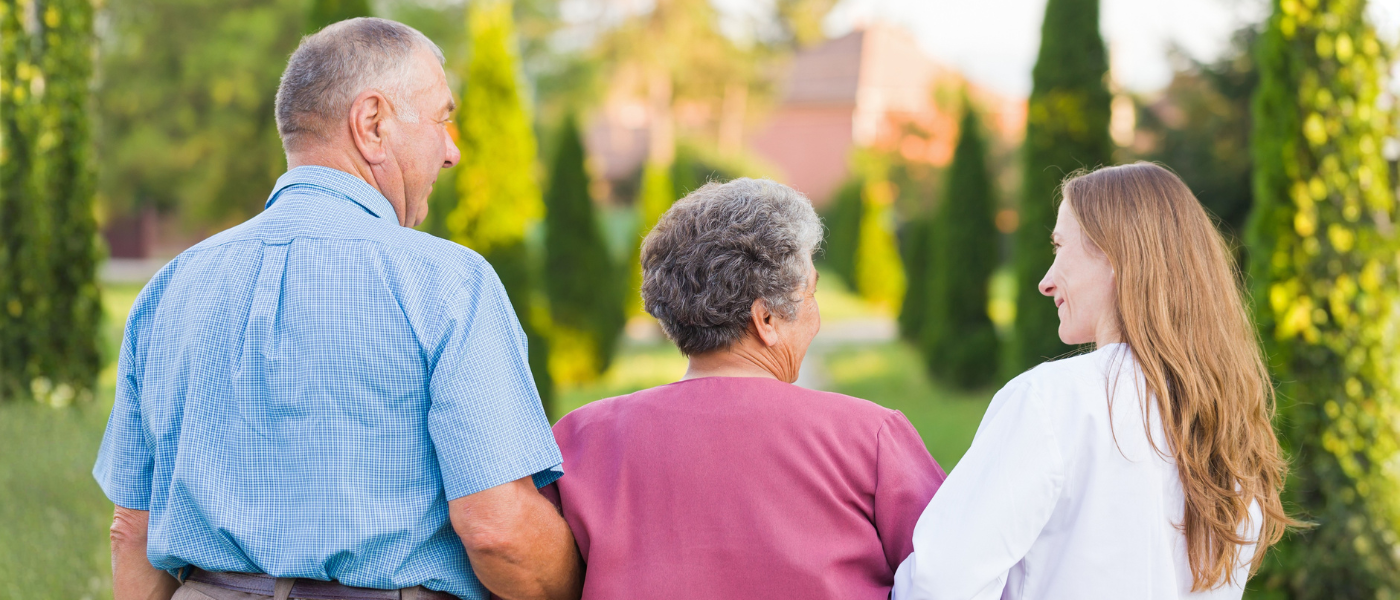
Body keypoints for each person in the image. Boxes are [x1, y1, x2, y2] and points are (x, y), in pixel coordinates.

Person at [93, 18, 581, 600]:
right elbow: (500, 531)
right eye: (443, 119)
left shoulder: (170, 287)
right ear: (372, 124)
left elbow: (133, 531)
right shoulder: (446, 282)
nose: (451, 151)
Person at [893, 163, 1294, 599]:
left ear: (1115, 254)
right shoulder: (1228, 425)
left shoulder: (1052, 402)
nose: (1046, 282)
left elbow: (940, 582)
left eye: (1060, 246)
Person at [540, 178, 947, 600]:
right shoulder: (869, 437)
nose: (816, 314)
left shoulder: (577, 440)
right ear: (765, 320)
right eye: (811, 292)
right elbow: (957, 572)